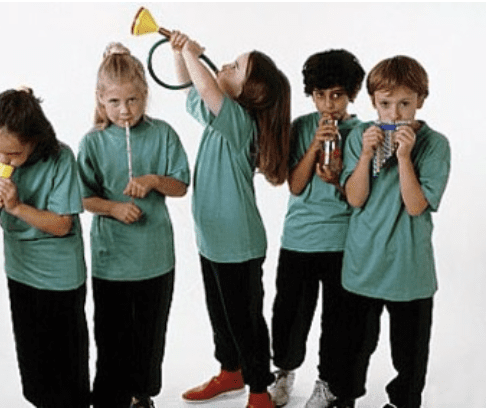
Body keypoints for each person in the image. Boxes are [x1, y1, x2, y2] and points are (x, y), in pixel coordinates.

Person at [169, 31, 291, 408]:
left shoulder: (240, 124)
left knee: (245, 320)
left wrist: (192, 52)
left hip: (238, 243)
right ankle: (231, 371)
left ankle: (258, 389)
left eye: (235, 67)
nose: (224, 65)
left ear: (248, 93)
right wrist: (179, 53)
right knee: (220, 314)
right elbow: (190, 88)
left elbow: (206, 88)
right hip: (212, 239)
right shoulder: (220, 119)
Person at [325, 55, 451, 408]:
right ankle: (344, 398)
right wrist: (365, 156)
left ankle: (403, 403)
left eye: (404, 104)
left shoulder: (435, 145)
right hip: (363, 262)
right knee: (352, 346)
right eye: (385, 104)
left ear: (421, 101)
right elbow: (355, 198)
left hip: (409, 269)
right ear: (372, 103)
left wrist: (406, 158)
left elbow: (415, 206)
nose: (394, 115)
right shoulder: (360, 139)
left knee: (409, 353)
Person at [0, 87, 90, 407]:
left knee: (67, 363)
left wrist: (15, 207)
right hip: (20, 270)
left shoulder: (61, 158)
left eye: (13, 154)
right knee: (33, 358)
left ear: (35, 141)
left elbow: (62, 224)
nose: (2, 160)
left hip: (61, 276)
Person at [77, 43, 190, 408]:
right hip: (112, 260)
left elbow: (181, 186)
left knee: (149, 335)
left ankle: (141, 396)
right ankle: (110, 399)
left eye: (133, 101)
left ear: (145, 95)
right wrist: (112, 208)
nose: (125, 111)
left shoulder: (163, 134)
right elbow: (82, 197)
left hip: (155, 258)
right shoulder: (91, 143)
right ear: (100, 100)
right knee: (110, 335)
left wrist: (154, 180)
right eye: (114, 103)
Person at [269, 49, 365, 408]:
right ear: (311, 94)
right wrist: (314, 145)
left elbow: (359, 196)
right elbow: (294, 185)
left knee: (337, 320)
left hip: (342, 241)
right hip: (298, 238)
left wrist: (338, 177)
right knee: (289, 313)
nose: (328, 104)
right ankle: (284, 371)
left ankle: (328, 382)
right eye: (321, 95)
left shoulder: (361, 133)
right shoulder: (301, 127)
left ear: (351, 94)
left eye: (337, 95)